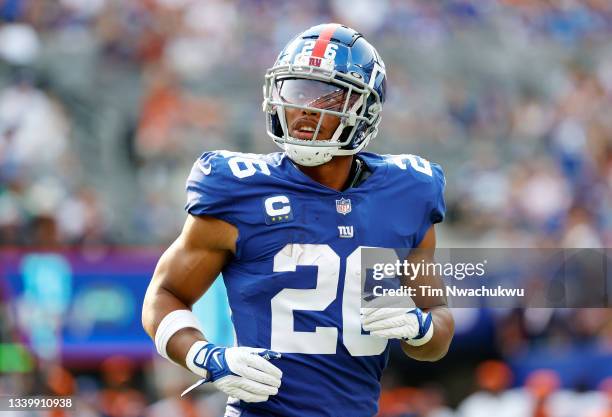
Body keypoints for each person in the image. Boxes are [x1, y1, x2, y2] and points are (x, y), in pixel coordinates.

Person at [142, 23, 455, 417]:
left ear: (366, 108)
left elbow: (438, 324)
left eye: (323, 95)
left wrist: (421, 329)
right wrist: (205, 356)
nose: (303, 107)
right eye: (295, 90)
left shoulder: (406, 194)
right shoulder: (238, 189)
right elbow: (163, 295)